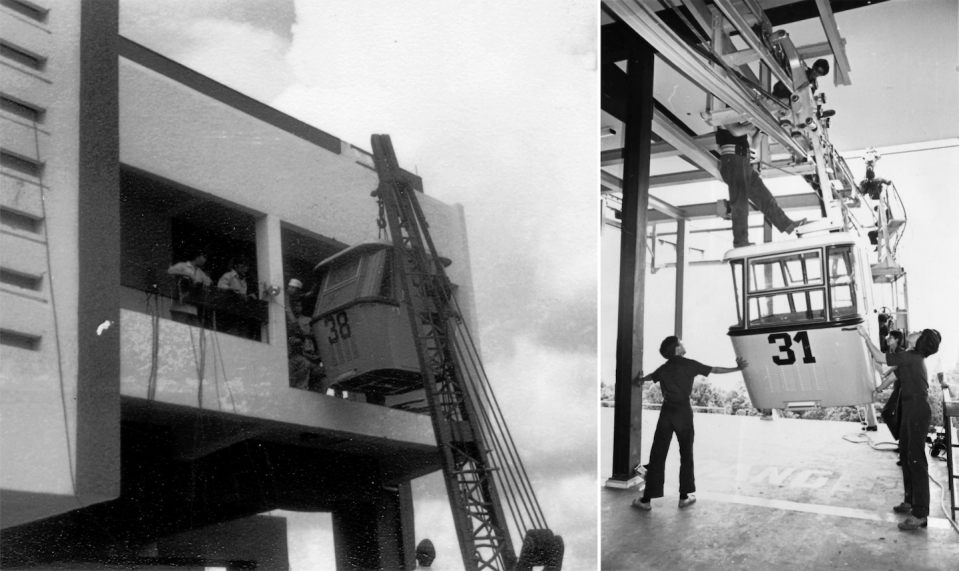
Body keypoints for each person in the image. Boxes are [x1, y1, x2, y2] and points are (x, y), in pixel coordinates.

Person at [630, 336, 748, 510]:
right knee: (686, 453)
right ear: (677, 348)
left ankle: (646, 501)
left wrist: (640, 380)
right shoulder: (690, 365)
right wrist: (737, 368)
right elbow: (715, 370)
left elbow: (649, 377)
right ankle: (684, 497)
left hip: (666, 412)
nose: (683, 344)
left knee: (657, 454)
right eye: (681, 343)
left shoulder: (664, 368)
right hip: (683, 412)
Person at [857, 326, 941, 531]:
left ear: (920, 341)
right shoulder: (910, 356)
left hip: (916, 409)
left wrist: (865, 335)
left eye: (919, 332)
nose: (914, 331)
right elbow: (894, 376)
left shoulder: (912, 356)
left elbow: (879, 357)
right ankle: (910, 501)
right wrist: (877, 389)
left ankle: (920, 513)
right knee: (905, 454)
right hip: (909, 407)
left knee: (916, 459)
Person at [717, 122, 806, 247]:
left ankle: (787, 225)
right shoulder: (725, 117)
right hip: (733, 160)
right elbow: (736, 131)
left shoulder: (740, 125)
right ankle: (740, 242)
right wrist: (754, 122)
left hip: (743, 162)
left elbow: (754, 144)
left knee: (765, 197)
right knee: (740, 202)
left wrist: (761, 129)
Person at [876, 329, 908, 441]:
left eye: (891, 337)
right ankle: (901, 440)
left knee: (887, 413)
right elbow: (896, 365)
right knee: (896, 415)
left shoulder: (900, 351)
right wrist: (887, 372)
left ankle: (900, 439)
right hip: (899, 388)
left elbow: (897, 368)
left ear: (897, 340)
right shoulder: (895, 351)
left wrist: (880, 388)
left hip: (902, 388)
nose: (888, 339)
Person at [167, 251, 213, 326]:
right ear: (197, 257)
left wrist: (205, 283)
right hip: (180, 308)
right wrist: (188, 274)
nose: (205, 260)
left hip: (193, 311)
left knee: (196, 333)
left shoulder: (200, 272)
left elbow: (209, 282)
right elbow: (170, 271)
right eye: (203, 257)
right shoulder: (183, 265)